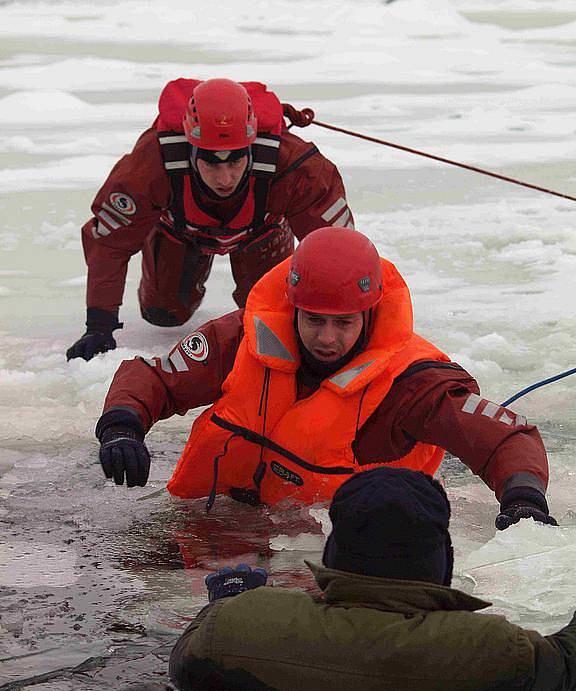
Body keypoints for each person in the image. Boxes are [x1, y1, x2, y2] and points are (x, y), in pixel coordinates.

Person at [95, 227, 553, 530]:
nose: (327, 338)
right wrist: (122, 426)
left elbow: (504, 436)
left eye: (344, 323)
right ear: (293, 306)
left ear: (370, 315)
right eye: (314, 320)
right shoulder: (243, 338)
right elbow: (158, 379)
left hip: (330, 554)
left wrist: (523, 498)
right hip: (210, 523)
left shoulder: (412, 382)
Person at [167, 467, 574, 691]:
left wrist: (228, 603)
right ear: (442, 560)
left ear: (333, 554)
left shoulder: (235, 626)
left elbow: (187, 669)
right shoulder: (497, 650)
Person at [66, 77, 353, 361]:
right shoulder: (151, 163)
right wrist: (99, 324)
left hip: (263, 232)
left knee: (270, 319)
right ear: (191, 150)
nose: (224, 178)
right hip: (179, 233)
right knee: (163, 315)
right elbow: (109, 243)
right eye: (211, 163)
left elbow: (342, 251)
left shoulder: (295, 167)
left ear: (252, 147)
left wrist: (350, 317)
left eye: (235, 161)